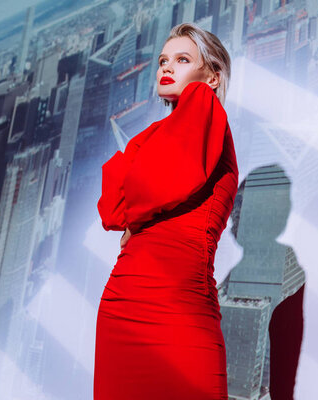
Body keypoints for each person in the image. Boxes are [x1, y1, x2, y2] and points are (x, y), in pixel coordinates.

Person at [94, 23, 237, 400]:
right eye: (162, 61)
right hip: (125, 308)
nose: (165, 68)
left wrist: (136, 189)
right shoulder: (154, 136)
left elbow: (147, 189)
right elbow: (113, 212)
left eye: (182, 59)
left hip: (180, 313)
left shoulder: (205, 112)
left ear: (212, 76)